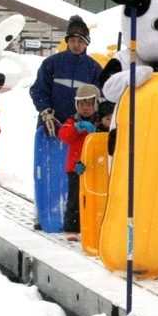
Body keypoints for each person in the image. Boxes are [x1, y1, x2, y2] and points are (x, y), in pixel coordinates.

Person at [31, 15, 101, 131]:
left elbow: (101, 98)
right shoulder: (51, 63)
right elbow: (39, 90)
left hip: (81, 129)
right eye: (72, 40)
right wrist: (46, 112)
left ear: (86, 43)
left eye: (80, 41)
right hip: (52, 126)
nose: (76, 45)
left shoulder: (94, 69)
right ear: (67, 41)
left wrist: (95, 120)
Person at [57, 84, 101, 233]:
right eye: (81, 104)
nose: (85, 108)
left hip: (96, 167)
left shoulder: (102, 121)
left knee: (94, 198)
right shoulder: (72, 122)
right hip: (76, 168)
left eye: (89, 104)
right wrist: (76, 128)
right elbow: (64, 136)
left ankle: (94, 225)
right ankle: (72, 227)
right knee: (75, 199)